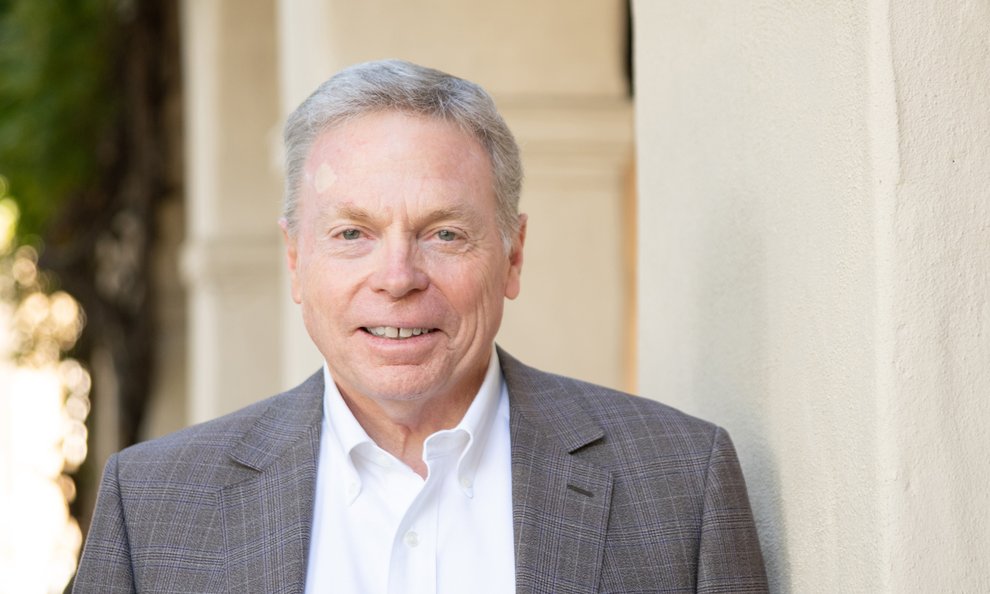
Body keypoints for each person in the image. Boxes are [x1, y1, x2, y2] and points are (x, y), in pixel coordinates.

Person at [74, 59, 768, 593]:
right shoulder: (154, 506)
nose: (398, 276)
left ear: (513, 256)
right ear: (295, 260)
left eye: (443, 233)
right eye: (352, 233)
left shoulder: (679, 485)